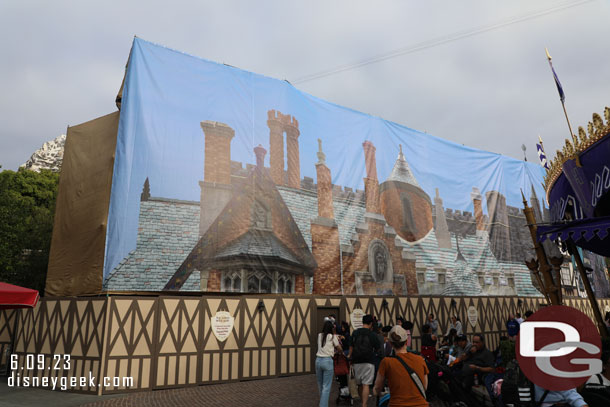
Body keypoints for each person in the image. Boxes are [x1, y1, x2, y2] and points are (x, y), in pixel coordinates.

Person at [373, 325, 428, 407]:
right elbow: (424, 387)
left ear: (391, 343)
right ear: (406, 341)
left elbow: (377, 388)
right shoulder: (420, 359)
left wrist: (375, 391)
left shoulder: (386, 362)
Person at [348, 314, 381, 407]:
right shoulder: (372, 334)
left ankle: (362, 400)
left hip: (356, 361)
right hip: (369, 361)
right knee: (366, 384)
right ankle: (364, 404)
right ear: (371, 323)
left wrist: (350, 355)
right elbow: (378, 349)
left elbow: (351, 346)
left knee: (359, 384)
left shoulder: (355, 332)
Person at [316, 320, 342, 407]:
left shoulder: (320, 335)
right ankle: (323, 405)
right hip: (327, 361)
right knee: (326, 386)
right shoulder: (332, 336)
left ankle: (322, 403)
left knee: (320, 384)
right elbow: (339, 348)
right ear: (331, 328)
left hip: (318, 360)